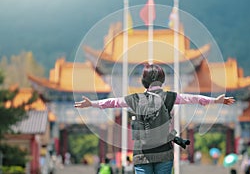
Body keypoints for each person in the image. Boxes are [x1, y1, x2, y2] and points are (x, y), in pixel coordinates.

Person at [75, 64, 235, 174]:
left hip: (141, 153)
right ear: (162, 79)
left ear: (144, 81)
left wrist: (91, 103)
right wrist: (215, 100)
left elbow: (112, 102)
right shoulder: (170, 97)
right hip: (164, 152)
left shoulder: (135, 99)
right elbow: (192, 98)